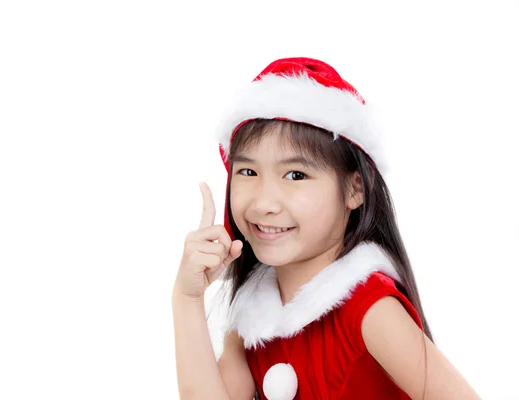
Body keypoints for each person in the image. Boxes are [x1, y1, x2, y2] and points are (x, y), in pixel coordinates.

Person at [172, 58, 481, 399]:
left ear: (355, 189)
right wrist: (187, 298)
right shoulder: (254, 320)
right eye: (248, 172)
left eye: (296, 175)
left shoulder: (369, 308)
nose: (264, 203)